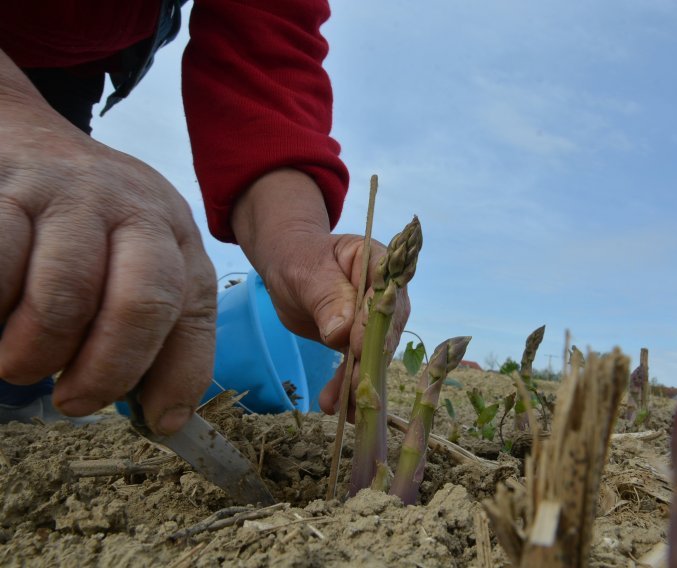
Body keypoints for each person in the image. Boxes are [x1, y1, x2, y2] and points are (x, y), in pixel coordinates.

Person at [0, 1, 409, 433]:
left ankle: (14, 397)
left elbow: (263, 56)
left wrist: (296, 241)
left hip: (67, 67)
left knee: (45, 266)